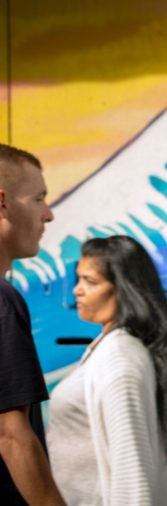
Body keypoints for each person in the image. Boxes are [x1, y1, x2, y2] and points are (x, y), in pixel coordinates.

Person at [46, 235, 167, 505]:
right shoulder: (109, 346)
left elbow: (132, 475)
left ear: (124, 289)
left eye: (90, 281)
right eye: (78, 279)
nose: (76, 290)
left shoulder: (119, 358)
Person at [0, 144, 63, 505]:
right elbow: (10, 435)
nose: (49, 214)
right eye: (39, 198)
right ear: (3, 203)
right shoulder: (2, 299)